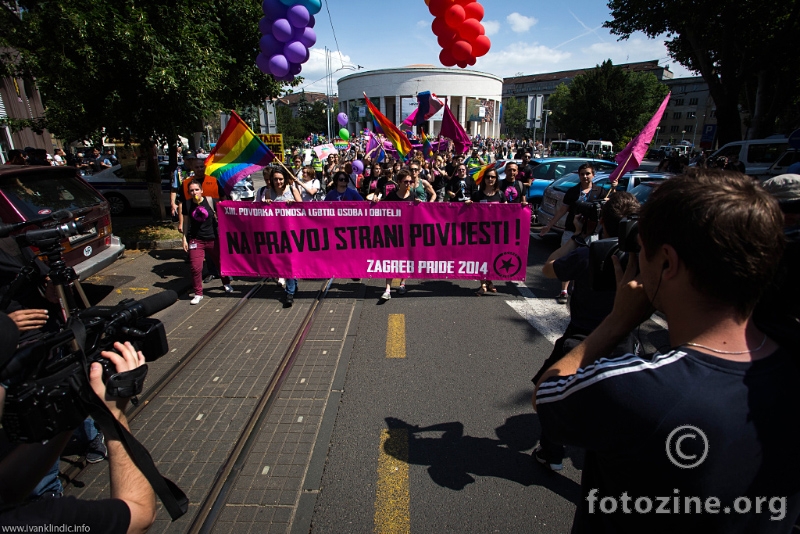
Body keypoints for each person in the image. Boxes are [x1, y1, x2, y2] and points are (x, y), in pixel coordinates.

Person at [533, 170, 799, 533]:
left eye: (641, 250)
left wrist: (616, 321)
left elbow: (547, 395)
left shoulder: (633, 388)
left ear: (668, 263)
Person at [0, 313, 156, 532]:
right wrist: (115, 415)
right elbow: (140, 514)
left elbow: (6, 488)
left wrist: (76, 403)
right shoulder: (41, 520)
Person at [532, 191, 641, 470]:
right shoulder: (644, 260)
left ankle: (551, 451)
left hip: (581, 341)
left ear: (601, 220)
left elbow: (548, 269)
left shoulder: (586, 254)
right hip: (625, 342)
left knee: (547, 393)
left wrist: (578, 237)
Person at [539, 162, 602, 304]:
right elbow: (562, 210)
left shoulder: (600, 191)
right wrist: (549, 225)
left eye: (588, 173)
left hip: (591, 232)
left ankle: (578, 288)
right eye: (582, 174)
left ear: (593, 175)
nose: (585, 176)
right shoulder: (573, 191)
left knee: (587, 260)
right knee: (567, 258)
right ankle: (563, 290)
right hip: (571, 231)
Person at [182, 179, 233, 305]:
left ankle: (226, 283)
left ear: (202, 190)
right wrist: (184, 238)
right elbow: (186, 222)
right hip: (196, 240)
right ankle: (198, 293)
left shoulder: (210, 201)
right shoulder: (187, 204)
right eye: (192, 190)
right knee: (195, 267)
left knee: (220, 263)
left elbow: (224, 215)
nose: (194, 193)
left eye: (197, 190)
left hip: (213, 238)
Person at [257, 168, 302, 305]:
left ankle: (289, 293)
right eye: (275, 179)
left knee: (289, 261)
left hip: (292, 232)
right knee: (283, 261)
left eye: (281, 179)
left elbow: (303, 207)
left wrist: (293, 204)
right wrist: (266, 205)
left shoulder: (292, 189)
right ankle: (293, 285)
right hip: (276, 232)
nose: (278, 182)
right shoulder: (268, 192)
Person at [377, 169, 418, 300]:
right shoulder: (392, 196)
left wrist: (419, 205)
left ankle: (402, 283)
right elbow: (382, 208)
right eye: (406, 181)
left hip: (407, 233)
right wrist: (375, 199)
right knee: (391, 260)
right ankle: (387, 289)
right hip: (393, 234)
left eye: (410, 181)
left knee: (405, 259)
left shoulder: (412, 195)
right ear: (399, 182)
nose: (408, 184)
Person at [466, 168, 506, 295]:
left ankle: (489, 281)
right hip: (480, 234)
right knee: (481, 258)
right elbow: (470, 213)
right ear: (484, 179)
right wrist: (468, 205)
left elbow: (509, 212)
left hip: (495, 233)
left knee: (492, 258)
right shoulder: (477, 195)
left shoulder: (500, 194)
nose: (490, 179)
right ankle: (483, 283)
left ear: (496, 179)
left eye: (493, 177)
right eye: (488, 177)